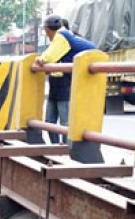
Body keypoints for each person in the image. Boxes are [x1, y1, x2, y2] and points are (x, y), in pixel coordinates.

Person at [34, 15, 96, 144]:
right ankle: (56, 147)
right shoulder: (63, 39)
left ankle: (65, 148)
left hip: (67, 82)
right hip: (58, 83)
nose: (46, 35)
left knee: (64, 121)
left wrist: (40, 60)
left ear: (48, 29)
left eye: (46, 31)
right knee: (50, 121)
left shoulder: (62, 36)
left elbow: (47, 57)